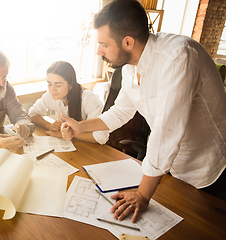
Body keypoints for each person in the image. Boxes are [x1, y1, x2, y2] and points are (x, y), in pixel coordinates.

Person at [61, 0, 226, 223]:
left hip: (211, 171)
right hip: (172, 169)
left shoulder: (178, 56)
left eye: (103, 44)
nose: (99, 50)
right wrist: (81, 126)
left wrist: (141, 194)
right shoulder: (130, 66)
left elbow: (165, 133)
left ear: (128, 42)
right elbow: (120, 112)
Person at [28, 61, 109, 144]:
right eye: (49, 84)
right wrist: (49, 125)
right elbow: (32, 114)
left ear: (71, 84)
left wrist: (70, 134)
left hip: (91, 146)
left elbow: (101, 137)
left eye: (58, 85)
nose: (52, 89)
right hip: (71, 144)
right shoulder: (51, 95)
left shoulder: (88, 99)